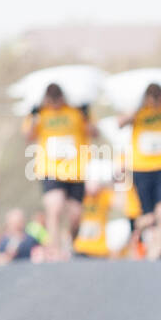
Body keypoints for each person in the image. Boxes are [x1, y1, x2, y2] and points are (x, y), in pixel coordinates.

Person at [23, 83, 97, 260]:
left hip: (75, 170)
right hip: (50, 169)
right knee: (54, 207)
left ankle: (70, 241)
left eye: (58, 99)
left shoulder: (75, 111)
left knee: (75, 215)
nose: (55, 104)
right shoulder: (40, 114)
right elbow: (28, 136)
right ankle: (54, 250)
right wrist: (34, 116)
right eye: (51, 100)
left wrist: (85, 116)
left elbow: (94, 133)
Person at [119, 83, 161, 261]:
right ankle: (136, 236)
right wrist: (136, 109)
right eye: (151, 97)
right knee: (148, 216)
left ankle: (160, 248)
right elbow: (120, 123)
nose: (155, 101)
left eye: (158, 97)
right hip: (141, 168)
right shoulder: (138, 110)